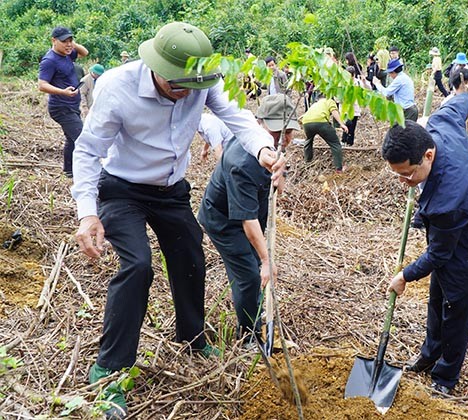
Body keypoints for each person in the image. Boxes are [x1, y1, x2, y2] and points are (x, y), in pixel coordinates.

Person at [71, 22, 284, 418]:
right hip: (122, 188)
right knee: (138, 265)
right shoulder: (117, 87)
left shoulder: (202, 81)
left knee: (190, 255)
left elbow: (238, 117)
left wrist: (263, 149)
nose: (186, 92)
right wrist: (88, 212)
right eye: (177, 84)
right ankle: (109, 370)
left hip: (171, 190)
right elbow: (87, 151)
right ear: (157, 66)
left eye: (193, 85)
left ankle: (192, 337)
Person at [382, 92, 468, 396]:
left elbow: (439, 254)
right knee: (437, 301)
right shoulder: (441, 122)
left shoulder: (448, 201)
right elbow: (461, 102)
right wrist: (461, 89)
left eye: (408, 174)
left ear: (429, 156)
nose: (404, 181)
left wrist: (404, 275)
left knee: (456, 312)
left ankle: (445, 377)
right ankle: (429, 354)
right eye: (398, 174)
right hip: (451, 234)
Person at [198, 94, 298, 346]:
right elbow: (247, 221)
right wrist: (266, 260)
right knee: (249, 275)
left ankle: (255, 313)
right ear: (259, 123)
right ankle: (249, 337)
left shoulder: (269, 147)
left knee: (254, 264)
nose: (284, 139)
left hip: (248, 214)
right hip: (223, 221)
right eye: (277, 132)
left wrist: (280, 175)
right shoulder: (242, 162)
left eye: (288, 131)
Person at [38, 26, 89, 178]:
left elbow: (84, 53)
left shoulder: (68, 54)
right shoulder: (49, 61)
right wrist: (63, 92)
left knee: (71, 139)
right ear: (53, 41)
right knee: (83, 139)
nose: (68, 44)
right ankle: (87, 174)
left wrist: (71, 44)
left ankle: (69, 171)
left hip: (72, 106)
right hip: (60, 107)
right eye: (64, 41)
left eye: (70, 40)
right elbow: (42, 85)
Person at [300, 94, 347, 172]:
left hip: (306, 122)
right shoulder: (330, 100)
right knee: (335, 144)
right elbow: (334, 111)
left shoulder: (315, 104)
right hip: (321, 122)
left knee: (308, 141)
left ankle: (307, 162)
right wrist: (341, 124)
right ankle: (339, 168)